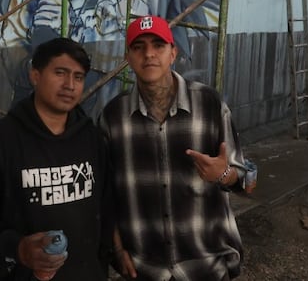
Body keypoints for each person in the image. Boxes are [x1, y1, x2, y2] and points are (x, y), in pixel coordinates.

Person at [99, 15, 256, 281]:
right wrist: (117, 248)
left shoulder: (209, 104)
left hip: (206, 264)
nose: (149, 54)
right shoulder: (113, 117)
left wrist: (223, 173)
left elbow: (246, 181)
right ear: (128, 57)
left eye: (158, 45)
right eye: (139, 47)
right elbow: (105, 194)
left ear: (173, 53)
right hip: (144, 267)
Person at [0, 38, 111, 280]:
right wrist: (18, 249)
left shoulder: (92, 139)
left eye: (78, 77)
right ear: (35, 75)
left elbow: (106, 207)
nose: (69, 85)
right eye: (60, 73)